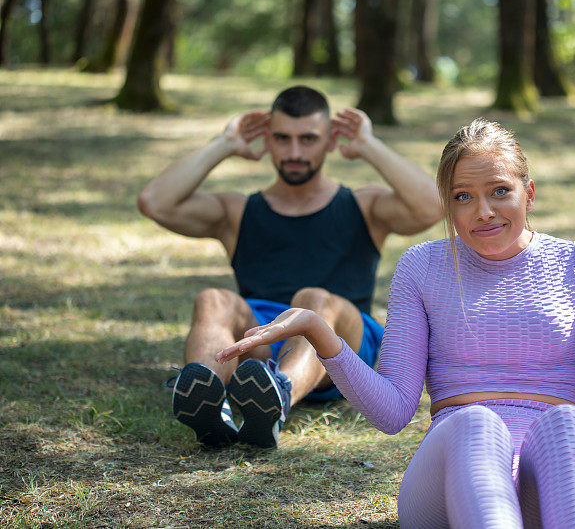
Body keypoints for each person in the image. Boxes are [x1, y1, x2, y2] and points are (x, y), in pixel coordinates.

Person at [216, 119, 575, 527]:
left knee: (571, 424)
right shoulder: (422, 266)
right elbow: (393, 412)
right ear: (447, 205)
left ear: (529, 193)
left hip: (547, 482)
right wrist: (324, 336)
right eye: (463, 197)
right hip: (448, 483)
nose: (483, 211)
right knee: (476, 424)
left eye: (499, 191)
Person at [138, 86, 442, 448]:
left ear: (330, 140)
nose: (294, 152)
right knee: (213, 299)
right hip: (263, 342)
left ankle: (277, 398)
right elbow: (155, 202)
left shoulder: (363, 206)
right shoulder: (238, 212)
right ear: (267, 139)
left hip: (340, 344)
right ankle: (212, 405)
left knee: (312, 300)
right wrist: (224, 143)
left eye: (308, 139)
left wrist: (368, 145)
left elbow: (432, 206)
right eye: (282, 139)